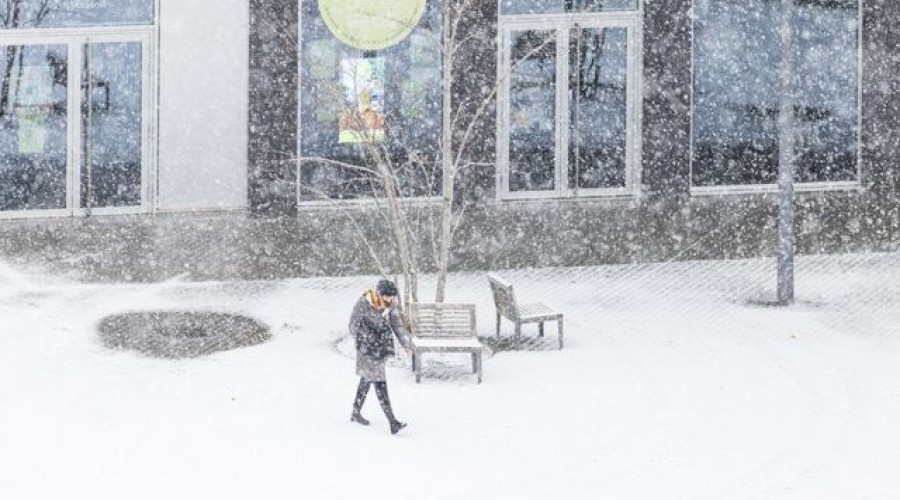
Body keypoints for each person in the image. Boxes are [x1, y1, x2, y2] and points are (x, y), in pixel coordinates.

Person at [349, 278, 410, 434]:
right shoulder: (364, 303)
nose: (390, 300)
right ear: (379, 294)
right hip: (366, 349)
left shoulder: (391, 305)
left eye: (392, 297)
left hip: (380, 347)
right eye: (388, 297)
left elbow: (398, 326)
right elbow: (352, 325)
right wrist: (366, 339)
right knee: (380, 382)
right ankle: (392, 421)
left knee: (367, 379)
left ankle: (355, 412)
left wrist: (407, 345)